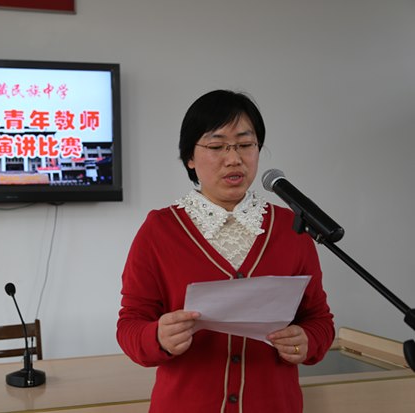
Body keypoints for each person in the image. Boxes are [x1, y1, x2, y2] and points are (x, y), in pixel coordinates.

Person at [116, 90, 334, 413]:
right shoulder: (159, 230)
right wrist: (157, 337)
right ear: (190, 158)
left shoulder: (293, 228)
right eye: (217, 147)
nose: (234, 159)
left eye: (245, 145)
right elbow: (130, 324)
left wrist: (307, 340)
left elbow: (319, 319)